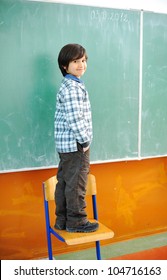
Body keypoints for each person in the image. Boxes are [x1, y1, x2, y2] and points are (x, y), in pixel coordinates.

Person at [54, 43, 99, 233]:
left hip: (67, 146)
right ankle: (77, 221)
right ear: (65, 65)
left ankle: (62, 220)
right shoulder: (72, 88)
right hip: (76, 146)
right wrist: (85, 141)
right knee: (77, 183)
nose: (81, 64)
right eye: (75, 61)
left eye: (83, 60)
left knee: (65, 181)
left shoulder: (69, 85)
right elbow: (75, 119)